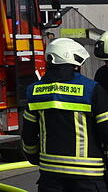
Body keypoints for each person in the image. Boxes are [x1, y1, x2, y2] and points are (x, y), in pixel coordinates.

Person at [22, 38, 108, 192]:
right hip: (88, 175)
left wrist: (33, 157)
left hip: (50, 175)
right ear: (74, 61)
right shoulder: (92, 90)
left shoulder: (34, 91)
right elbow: (106, 132)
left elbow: (28, 135)